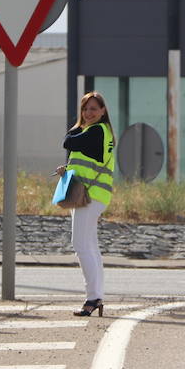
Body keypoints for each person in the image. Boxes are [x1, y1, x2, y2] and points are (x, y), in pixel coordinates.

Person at [57, 91, 115, 317]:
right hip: (92, 194)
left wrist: (79, 124)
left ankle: (92, 298)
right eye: (85, 109)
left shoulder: (96, 131)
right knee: (91, 246)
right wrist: (68, 170)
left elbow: (67, 140)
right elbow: (80, 155)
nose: (88, 113)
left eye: (93, 108)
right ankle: (97, 294)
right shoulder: (100, 131)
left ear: (102, 111)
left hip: (89, 195)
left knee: (80, 244)